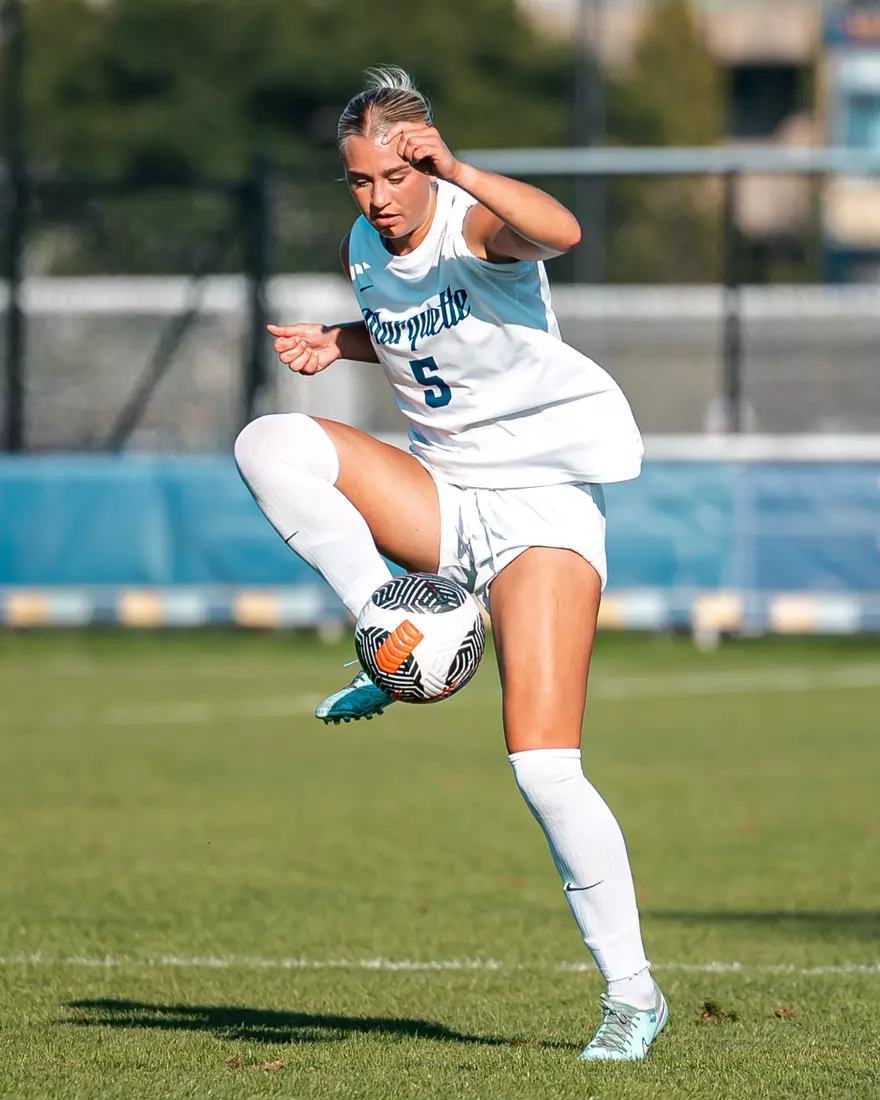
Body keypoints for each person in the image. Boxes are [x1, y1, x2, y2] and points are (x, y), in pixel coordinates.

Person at [234, 65, 667, 1061]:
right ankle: (386, 617)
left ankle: (633, 996)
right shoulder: (361, 245)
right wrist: (336, 343)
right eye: (358, 180)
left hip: (540, 510)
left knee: (545, 768)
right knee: (270, 442)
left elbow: (560, 233)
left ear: (423, 162)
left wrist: (459, 169)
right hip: (444, 497)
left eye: (393, 175)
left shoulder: (472, 220)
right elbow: (416, 341)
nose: (376, 198)